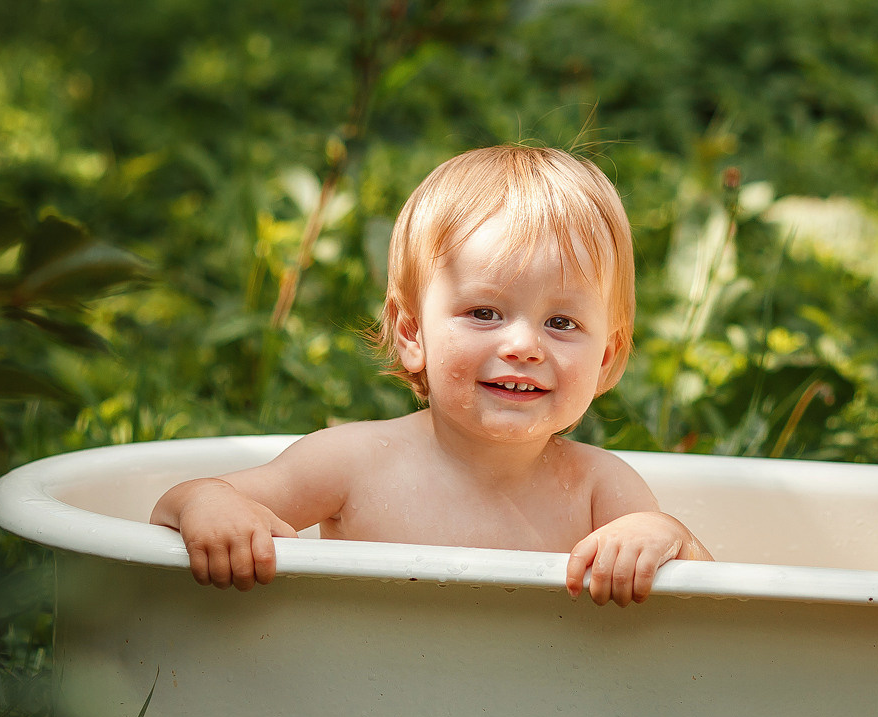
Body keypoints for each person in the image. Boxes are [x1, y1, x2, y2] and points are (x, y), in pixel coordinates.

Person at [150, 145, 713, 605]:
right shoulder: (352, 465)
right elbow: (184, 500)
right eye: (484, 313)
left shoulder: (599, 488)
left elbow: (715, 599)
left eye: (561, 323)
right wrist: (211, 507)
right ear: (412, 332)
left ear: (607, 358)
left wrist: (669, 538)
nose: (523, 346)